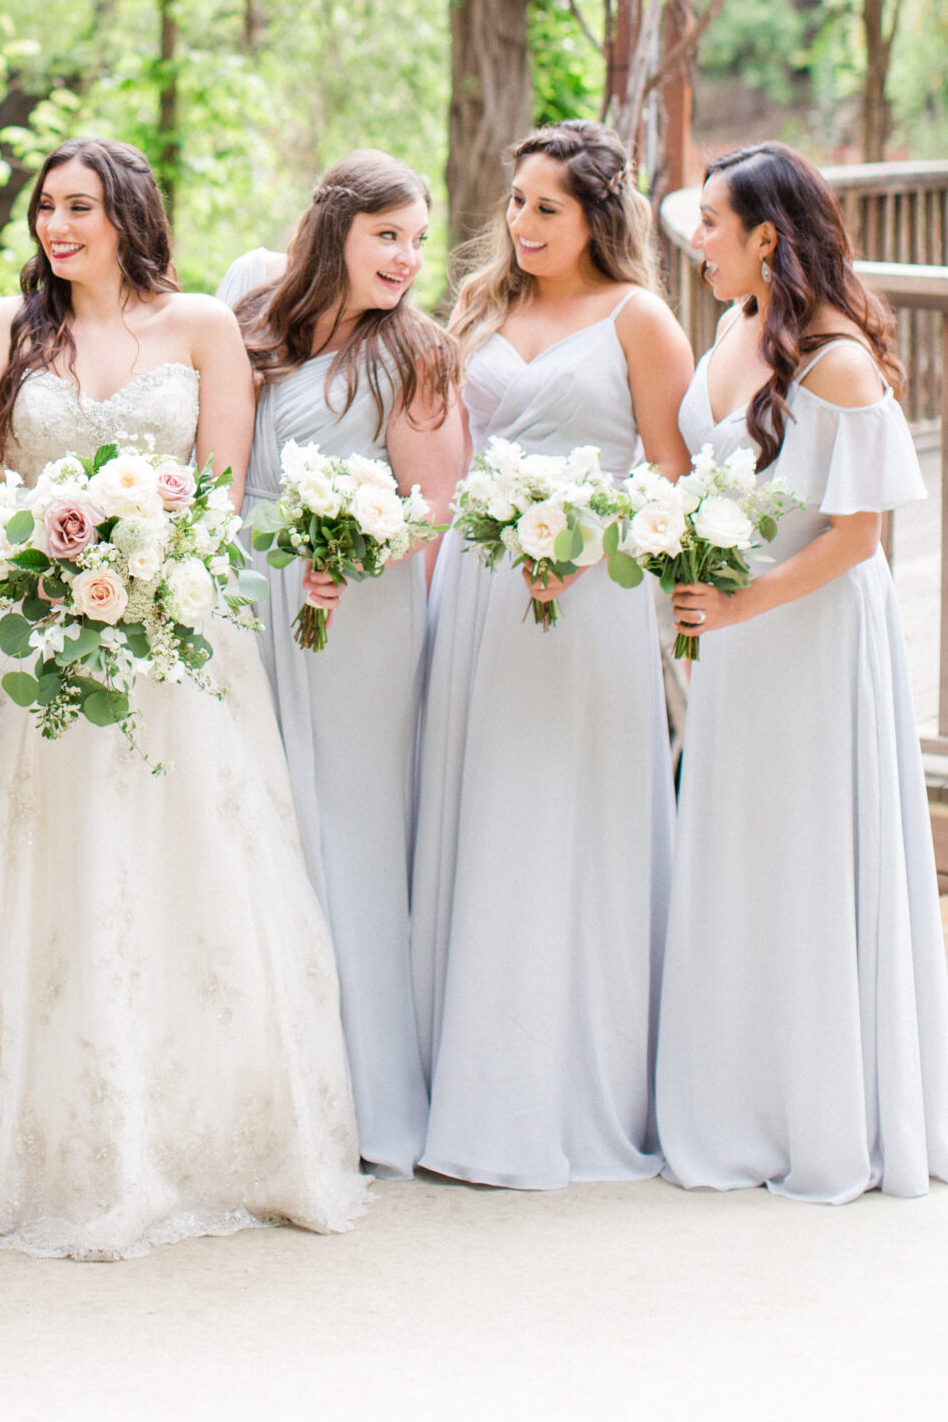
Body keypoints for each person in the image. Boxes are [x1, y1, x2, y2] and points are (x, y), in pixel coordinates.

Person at [0, 136, 366, 1258]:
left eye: (80, 206)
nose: (56, 225)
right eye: (47, 206)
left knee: (179, 876)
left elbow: (218, 497)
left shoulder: (202, 328)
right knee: (4, 877)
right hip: (28, 639)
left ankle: (184, 1140)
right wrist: (37, 570)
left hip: (168, 639)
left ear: (128, 214)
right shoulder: (1, 329)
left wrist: (143, 569)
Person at [656, 142, 948, 1200]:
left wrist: (741, 606)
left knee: (808, 852)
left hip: (811, 635)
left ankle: (823, 1112)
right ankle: (737, 1098)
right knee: (740, 853)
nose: (697, 242)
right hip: (736, 639)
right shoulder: (732, 328)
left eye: (712, 226)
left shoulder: (837, 363)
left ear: (767, 238)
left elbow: (858, 537)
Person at [411, 119, 693, 1188]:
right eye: (516, 202)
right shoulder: (480, 306)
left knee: (569, 814)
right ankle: (468, 1081)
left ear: (595, 217)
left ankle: (576, 1090)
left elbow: (667, 476)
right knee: (484, 804)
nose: (522, 223)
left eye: (547, 207)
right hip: (482, 586)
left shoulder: (639, 318)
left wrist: (587, 543)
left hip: (589, 592)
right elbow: (451, 454)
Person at [219, 151, 465, 1178]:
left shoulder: (416, 351)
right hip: (243, 591)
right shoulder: (251, 303)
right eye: (387, 236)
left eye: (417, 241)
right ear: (335, 227)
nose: (406, 259)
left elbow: (435, 506)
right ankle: (253, 1086)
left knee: (346, 827)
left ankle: (361, 1097)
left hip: (351, 610)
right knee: (251, 815)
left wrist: (356, 555)